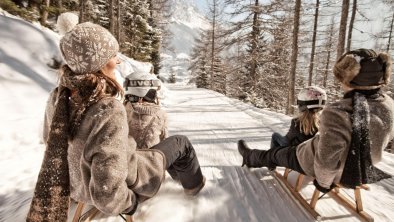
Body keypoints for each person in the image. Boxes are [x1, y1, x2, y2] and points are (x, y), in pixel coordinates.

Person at [27, 22, 205, 221]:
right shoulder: (107, 108)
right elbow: (107, 193)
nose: (118, 61)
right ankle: (195, 187)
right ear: (98, 62)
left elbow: (49, 142)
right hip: (130, 176)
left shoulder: (58, 97)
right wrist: (131, 204)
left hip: (75, 185)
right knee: (181, 144)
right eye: (112, 55)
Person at [238, 48, 394, 194]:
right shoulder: (388, 105)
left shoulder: (338, 112)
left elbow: (326, 161)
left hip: (316, 162)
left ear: (351, 80)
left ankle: (249, 157)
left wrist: (323, 183)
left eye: (342, 79)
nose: (340, 84)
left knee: (275, 153)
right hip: (361, 170)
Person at [269, 86, 326, 150]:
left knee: (275, 136)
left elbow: (287, 141)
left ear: (302, 105)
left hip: (296, 154)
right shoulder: (325, 123)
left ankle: (271, 157)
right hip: (312, 154)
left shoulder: (297, 122)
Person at [123, 71, 168, 149]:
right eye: (153, 91)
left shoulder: (121, 110)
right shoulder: (160, 114)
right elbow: (165, 142)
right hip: (150, 159)